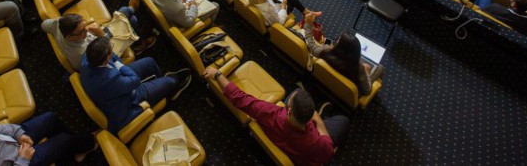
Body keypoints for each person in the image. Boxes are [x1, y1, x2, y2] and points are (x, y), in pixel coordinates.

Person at [203, 67, 348, 166]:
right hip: (304, 147)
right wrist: (318, 121)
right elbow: (329, 152)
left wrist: (217, 75)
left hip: (281, 135)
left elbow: (239, 98)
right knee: (343, 120)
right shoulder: (319, 145)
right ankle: (323, 119)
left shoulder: (269, 113)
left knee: (296, 91)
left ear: (289, 111)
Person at [80, 37, 192, 133]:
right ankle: (171, 89)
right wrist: (119, 66)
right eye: (111, 48)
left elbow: (114, 57)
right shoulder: (110, 80)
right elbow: (135, 80)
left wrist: (117, 64)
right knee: (170, 82)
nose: (112, 49)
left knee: (149, 62)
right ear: (106, 58)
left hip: (117, 80)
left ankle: (161, 83)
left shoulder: (87, 57)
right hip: (128, 98)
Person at [303, 11, 383, 95]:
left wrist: (308, 24)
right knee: (380, 68)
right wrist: (366, 71)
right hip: (350, 93)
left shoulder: (325, 51)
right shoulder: (358, 68)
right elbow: (367, 91)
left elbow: (311, 45)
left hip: (328, 83)